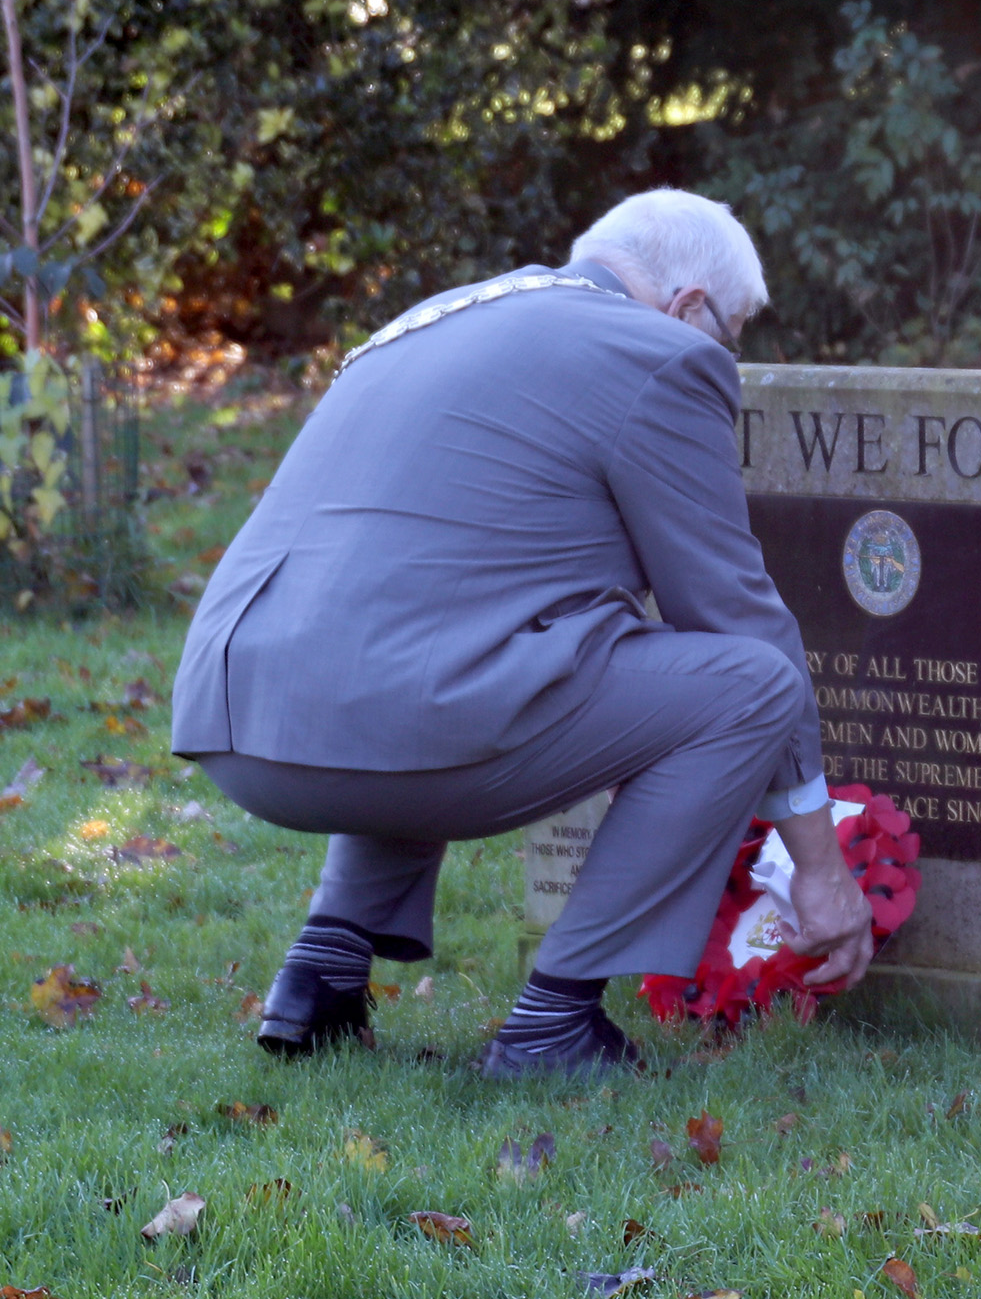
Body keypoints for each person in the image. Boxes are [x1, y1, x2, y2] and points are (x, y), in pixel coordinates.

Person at [170, 188, 872, 1078]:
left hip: (240, 718)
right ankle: (554, 1026)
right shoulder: (659, 350)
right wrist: (818, 867)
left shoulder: (425, 319)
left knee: (436, 636)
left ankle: (319, 978)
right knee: (752, 683)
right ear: (690, 308)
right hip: (398, 721)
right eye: (730, 334)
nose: (724, 356)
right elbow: (734, 613)